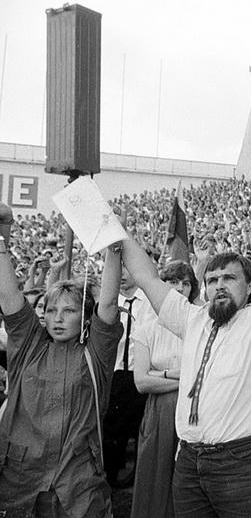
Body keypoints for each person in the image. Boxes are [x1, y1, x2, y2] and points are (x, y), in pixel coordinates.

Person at [118, 199, 251, 516]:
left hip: (245, 465)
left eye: (229, 279)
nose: (219, 286)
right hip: (188, 462)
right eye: (212, 280)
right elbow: (148, 278)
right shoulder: (192, 319)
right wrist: (119, 233)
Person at [0, 203, 124, 517]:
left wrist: (114, 245)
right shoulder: (29, 344)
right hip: (22, 482)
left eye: (68, 311)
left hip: (78, 485)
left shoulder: (95, 353)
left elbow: (109, 303)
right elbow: (8, 296)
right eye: (51, 310)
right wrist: (1, 239)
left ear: (84, 318)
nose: (57, 318)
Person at [130, 261, 199, 518]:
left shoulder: (198, 326)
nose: (179, 288)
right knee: (156, 472)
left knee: (186, 476)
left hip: (192, 409)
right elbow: (142, 382)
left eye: (186, 283)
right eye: (172, 282)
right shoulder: (146, 330)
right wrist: (181, 376)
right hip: (160, 413)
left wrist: (160, 375)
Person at [102, 266, 157, 488]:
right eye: (119, 269)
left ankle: (139, 477)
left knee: (143, 429)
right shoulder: (109, 303)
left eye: (128, 268)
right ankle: (110, 477)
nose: (123, 275)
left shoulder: (151, 303)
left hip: (143, 374)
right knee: (113, 429)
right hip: (116, 376)